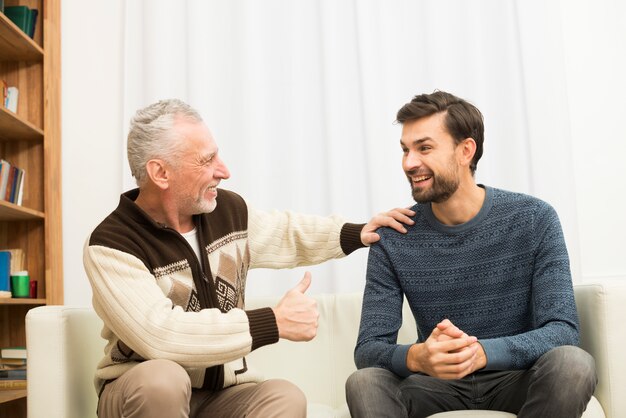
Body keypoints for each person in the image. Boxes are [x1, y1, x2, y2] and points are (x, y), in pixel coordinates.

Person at [83, 98, 414, 418]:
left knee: (284, 398)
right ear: (160, 173)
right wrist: (273, 322)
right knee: (162, 382)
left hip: (221, 395)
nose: (223, 171)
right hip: (139, 395)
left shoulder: (226, 211)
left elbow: (285, 232)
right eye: (206, 160)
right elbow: (161, 334)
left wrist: (356, 232)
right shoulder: (112, 244)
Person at [345, 91, 597, 418]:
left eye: (424, 148)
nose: (409, 163)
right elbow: (368, 351)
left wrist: (482, 353)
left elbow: (562, 330)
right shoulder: (394, 236)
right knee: (364, 382)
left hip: (517, 379)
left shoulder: (534, 219)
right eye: (405, 150)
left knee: (573, 364)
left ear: (466, 150)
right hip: (433, 385)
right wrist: (418, 358)